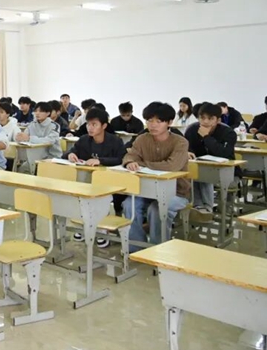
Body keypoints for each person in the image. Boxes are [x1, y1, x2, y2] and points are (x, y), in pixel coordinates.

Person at [122, 102, 190, 251]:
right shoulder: (142, 139)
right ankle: (135, 247)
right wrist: (130, 162)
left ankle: (157, 249)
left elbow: (172, 166)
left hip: (176, 192)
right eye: (149, 120)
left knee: (157, 209)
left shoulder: (180, 142)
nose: (153, 125)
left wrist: (142, 164)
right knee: (129, 205)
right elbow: (130, 156)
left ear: (169, 122)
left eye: (159, 121)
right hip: (146, 190)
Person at [64, 107, 127, 226]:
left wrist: (100, 160)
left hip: (110, 182)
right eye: (88, 124)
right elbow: (69, 152)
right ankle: (85, 225)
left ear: (104, 126)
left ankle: (100, 226)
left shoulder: (115, 141)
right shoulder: (84, 140)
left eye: (94, 124)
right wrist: (70, 155)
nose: (90, 128)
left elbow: (121, 159)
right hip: (87, 181)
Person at [184, 103, 237, 215]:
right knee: (196, 174)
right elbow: (186, 148)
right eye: (202, 118)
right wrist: (187, 152)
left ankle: (206, 209)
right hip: (199, 171)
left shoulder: (228, 133)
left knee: (203, 175)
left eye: (210, 118)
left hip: (228, 172)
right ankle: (199, 207)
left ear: (218, 120)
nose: (206, 122)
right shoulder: (191, 130)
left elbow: (225, 154)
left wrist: (206, 137)